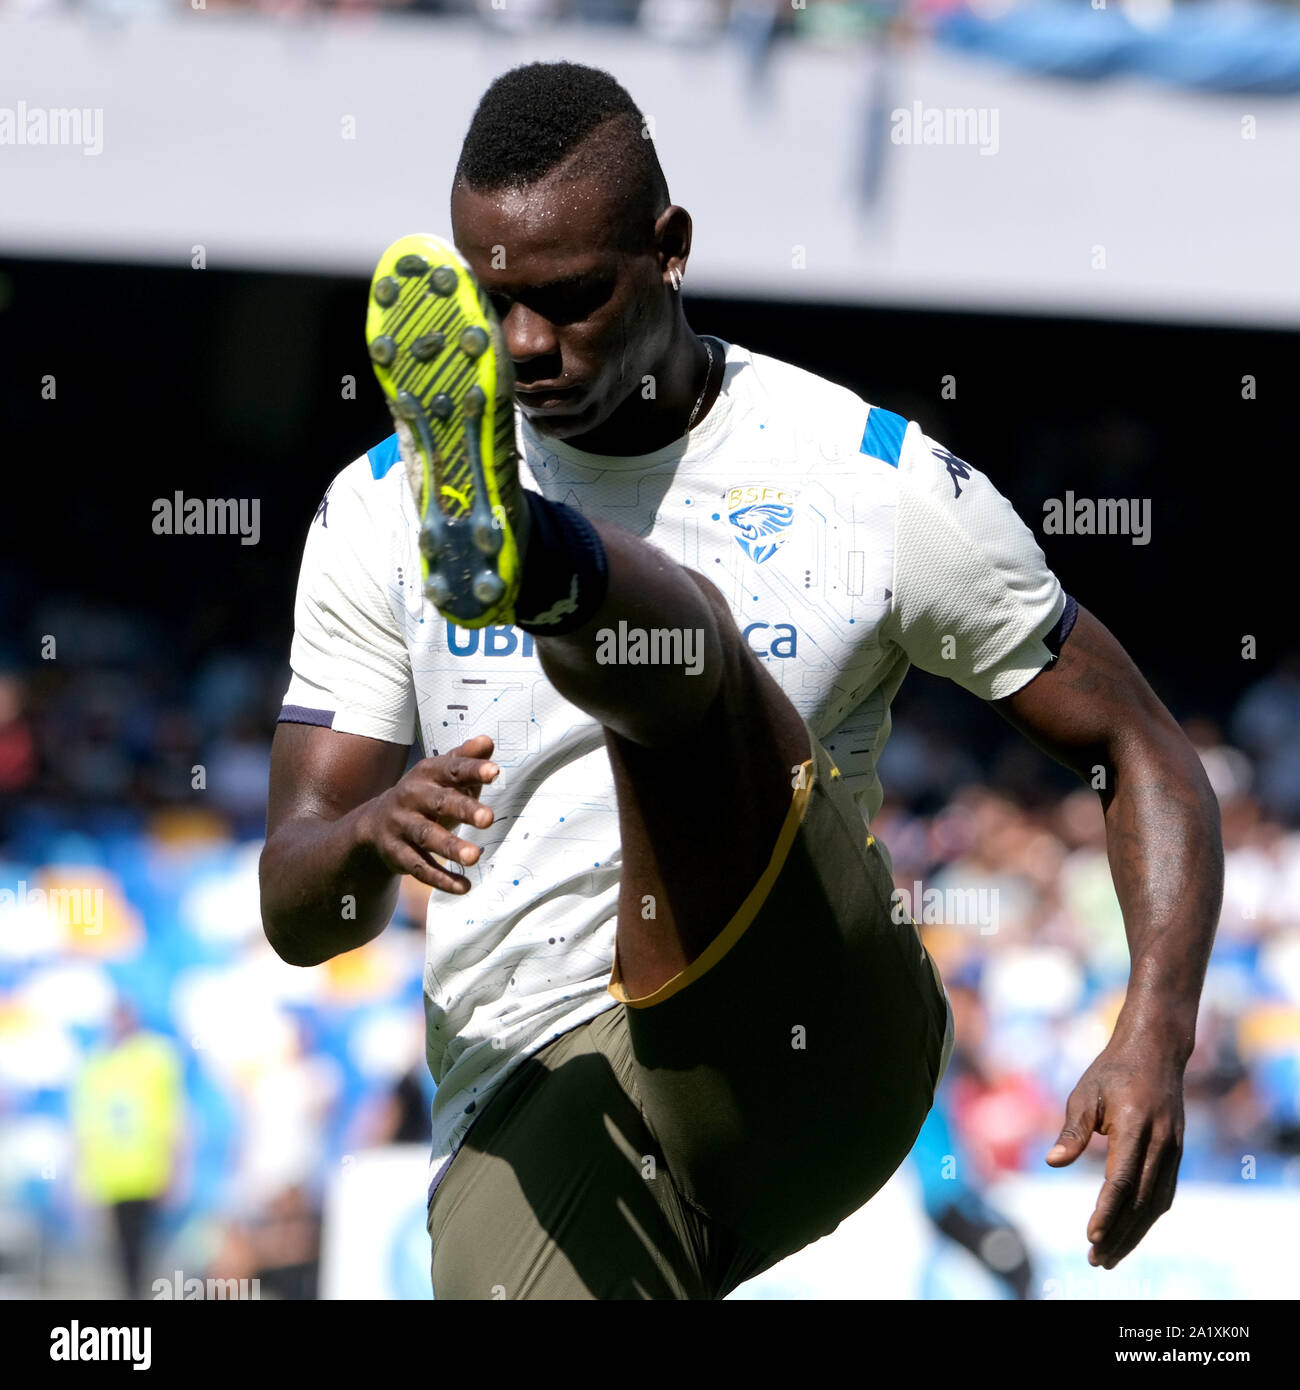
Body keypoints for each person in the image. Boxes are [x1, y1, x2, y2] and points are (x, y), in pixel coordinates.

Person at [260, 61, 1223, 1299]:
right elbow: (300, 914)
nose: (524, 347)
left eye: (568, 299)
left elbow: (1137, 744)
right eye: (492, 302)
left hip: (803, 1049)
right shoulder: (374, 510)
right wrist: (362, 839)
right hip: (540, 1084)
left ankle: (540, 557)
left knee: (686, 664)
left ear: (670, 249)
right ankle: (536, 551)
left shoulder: (867, 480)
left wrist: (1155, 1029)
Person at [72, 1002, 183, 1298]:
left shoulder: (156, 1058)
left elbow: (171, 1118)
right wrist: (84, 1172)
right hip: (112, 1174)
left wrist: (171, 1168)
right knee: (119, 1247)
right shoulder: (97, 1062)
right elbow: (86, 1123)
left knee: (143, 1244)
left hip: (146, 1171)